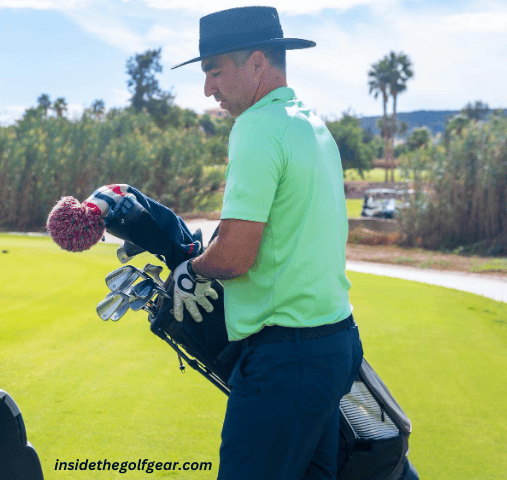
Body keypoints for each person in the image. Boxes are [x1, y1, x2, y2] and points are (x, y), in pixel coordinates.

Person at [169, 7, 364, 480]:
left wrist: (189, 273)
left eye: (214, 71)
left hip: (287, 361)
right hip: (336, 345)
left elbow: (236, 255)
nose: (207, 88)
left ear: (257, 63)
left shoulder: (255, 127)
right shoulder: (312, 125)